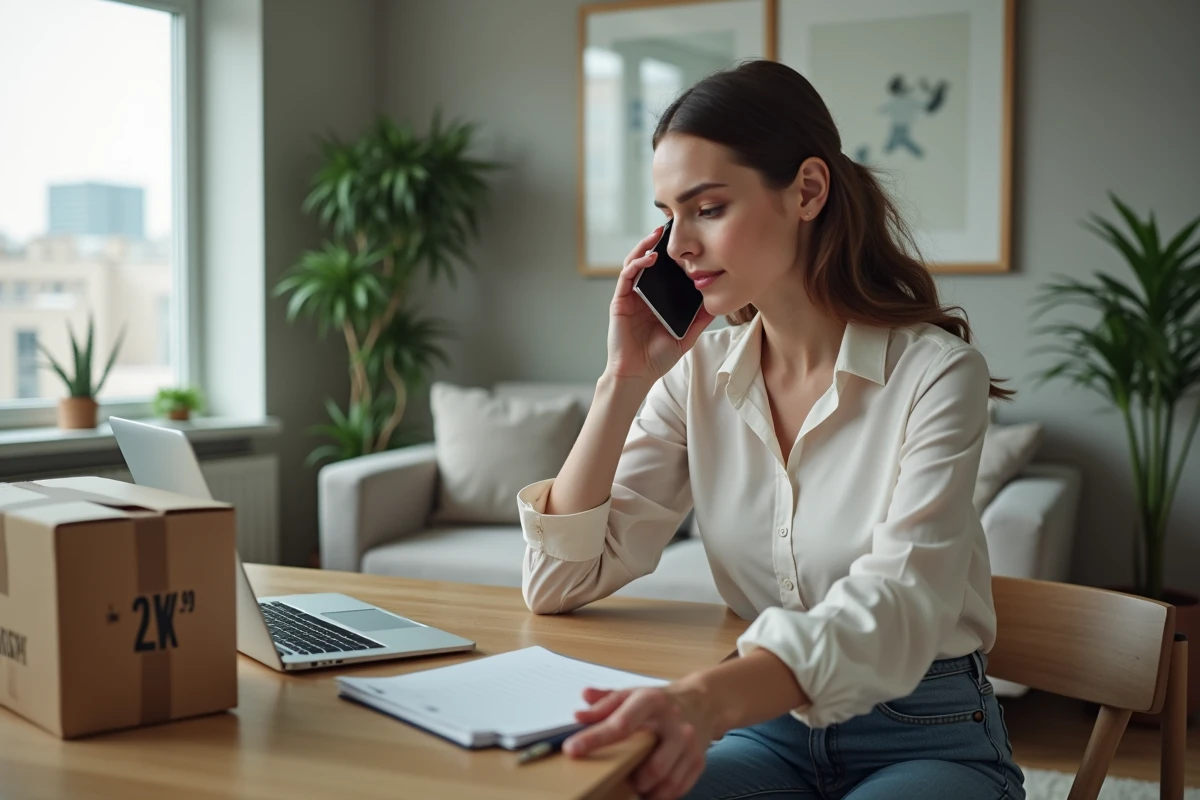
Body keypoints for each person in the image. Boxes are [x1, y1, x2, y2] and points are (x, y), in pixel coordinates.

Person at [517, 59, 1025, 800]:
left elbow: (901, 602)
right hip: (767, 733)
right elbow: (558, 582)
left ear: (808, 191)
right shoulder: (697, 375)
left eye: (708, 208)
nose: (678, 245)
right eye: (669, 215)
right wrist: (622, 380)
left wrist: (705, 699)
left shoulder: (937, 375)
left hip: (924, 732)